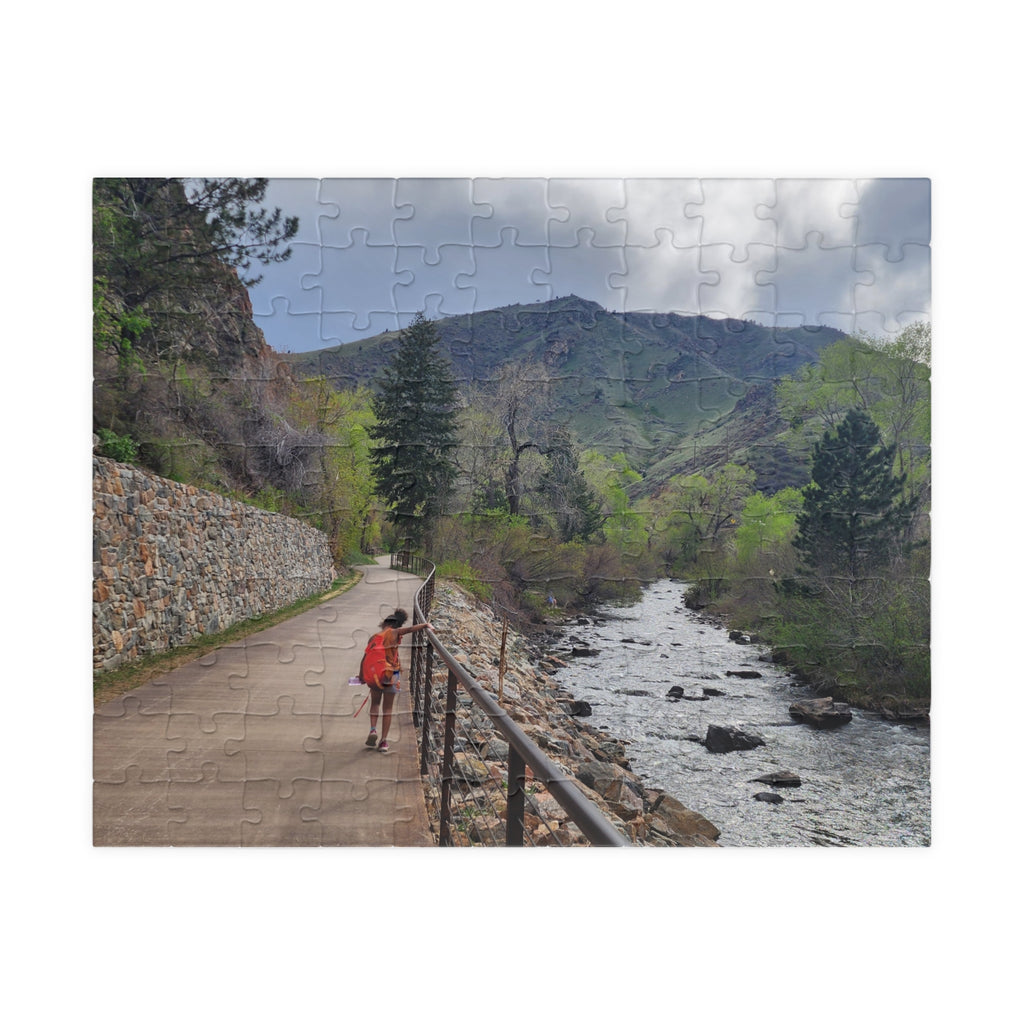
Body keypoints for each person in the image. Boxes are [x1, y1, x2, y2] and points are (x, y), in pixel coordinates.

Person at [364, 609, 432, 753]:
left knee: (375, 703)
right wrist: (426, 625)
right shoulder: (395, 633)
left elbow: (365, 659)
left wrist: (361, 676)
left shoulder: (373, 637)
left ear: (384, 623)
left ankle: (373, 730)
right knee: (387, 709)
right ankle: (383, 741)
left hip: (375, 675)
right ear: (397, 625)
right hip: (391, 675)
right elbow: (411, 629)